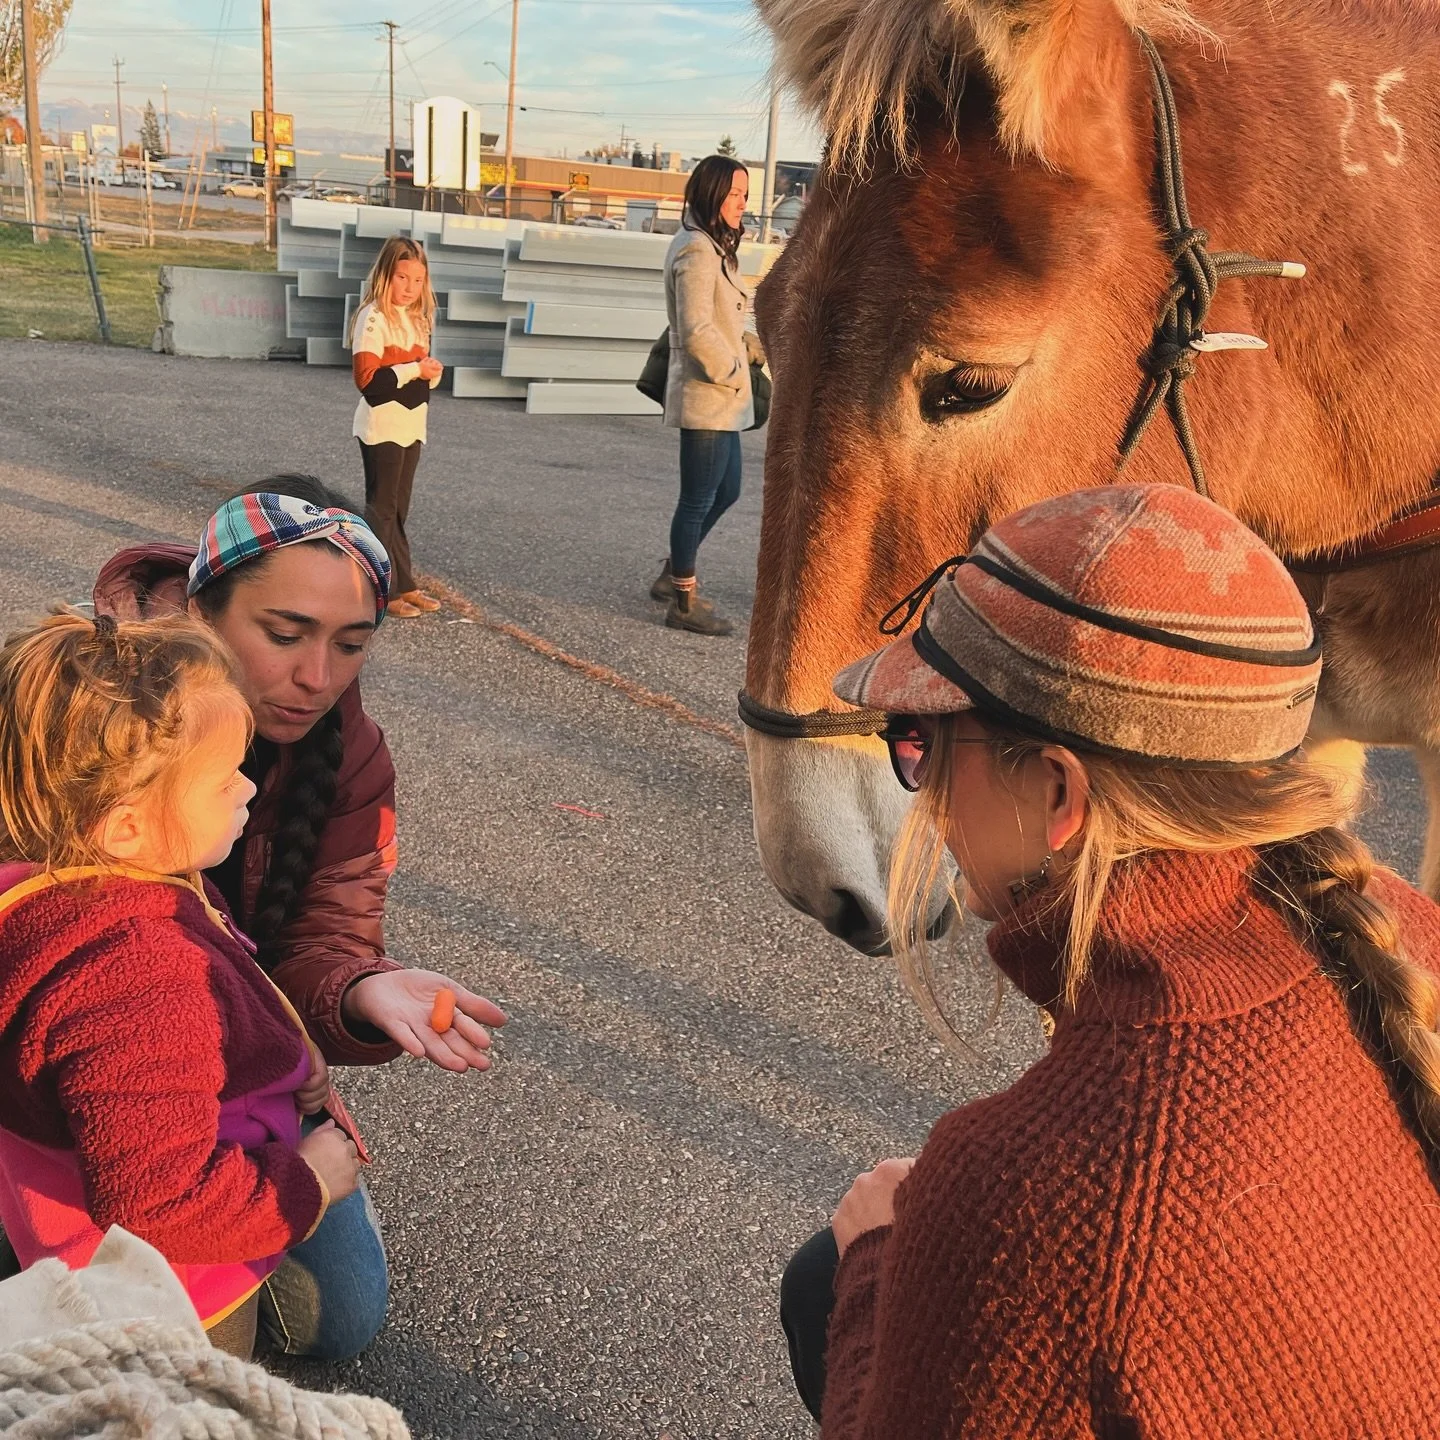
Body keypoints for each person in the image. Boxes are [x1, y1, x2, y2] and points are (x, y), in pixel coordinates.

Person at [779, 484, 1440, 1436]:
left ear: (1056, 790)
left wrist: (881, 1273)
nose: (918, 795)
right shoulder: (1396, 931)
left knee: (828, 1280)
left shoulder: (1037, 1187)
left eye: (922, 742)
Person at [90, 480, 507, 1355]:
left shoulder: (351, 752)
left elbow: (327, 938)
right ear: (202, 610)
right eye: (284, 635)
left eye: (352, 644)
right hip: (91, 1066)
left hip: (240, 1073)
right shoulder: (89, 718)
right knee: (138, 1302)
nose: (317, 677)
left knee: (338, 1322)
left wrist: (361, 990)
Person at [0, 610, 366, 1360]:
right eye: (225, 775)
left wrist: (295, 1045)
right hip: (173, 1288)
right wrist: (308, 1185)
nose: (247, 785)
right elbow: (159, 1200)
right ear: (126, 826)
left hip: (58, 1216)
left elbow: (229, 962)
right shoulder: (135, 973)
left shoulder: (67, 887)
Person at [650, 153, 759, 637]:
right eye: (735, 194)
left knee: (728, 490)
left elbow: (720, 319)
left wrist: (750, 344)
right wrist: (735, 369)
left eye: (744, 195)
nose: (742, 203)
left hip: (724, 398)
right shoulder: (696, 249)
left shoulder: (712, 246)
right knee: (696, 500)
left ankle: (674, 568)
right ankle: (683, 601)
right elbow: (695, 329)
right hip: (708, 394)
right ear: (713, 193)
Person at [350, 235, 444, 620]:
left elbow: (417, 378)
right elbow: (368, 381)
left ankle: (405, 584)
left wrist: (430, 374)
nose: (410, 288)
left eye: (418, 280)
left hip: (411, 425)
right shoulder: (374, 318)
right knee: (382, 509)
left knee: (399, 509)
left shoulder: (417, 320)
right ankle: (380, 591)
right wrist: (413, 370)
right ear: (386, 276)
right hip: (382, 425)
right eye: (402, 278)